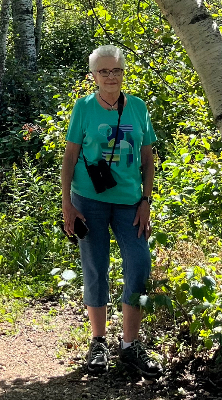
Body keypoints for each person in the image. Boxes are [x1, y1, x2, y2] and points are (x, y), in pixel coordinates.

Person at [61, 44, 162, 379]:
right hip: (89, 200)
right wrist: (67, 203)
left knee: (140, 263)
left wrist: (146, 201)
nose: (110, 76)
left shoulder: (138, 108)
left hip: (130, 202)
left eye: (116, 70)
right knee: (96, 267)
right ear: (93, 75)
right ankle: (99, 342)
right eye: (103, 71)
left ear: (123, 72)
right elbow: (70, 157)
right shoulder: (84, 108)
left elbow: (148, 161)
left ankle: (130, 346)